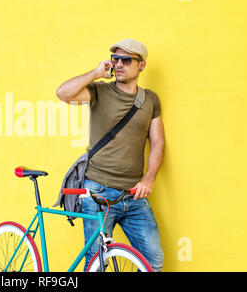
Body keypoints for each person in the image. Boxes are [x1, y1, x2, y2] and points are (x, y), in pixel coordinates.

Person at [56, 38, 165, 271]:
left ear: (141, 65)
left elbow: (158, 142)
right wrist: (96, 73)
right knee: (97, 263)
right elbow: (63, 93)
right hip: (98, 192)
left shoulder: (150, 100)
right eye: (115, 59)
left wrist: (149, 178)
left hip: (134, 194)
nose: (119, 64)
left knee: (153, 261)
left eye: (126, 60)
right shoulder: (99, 91)